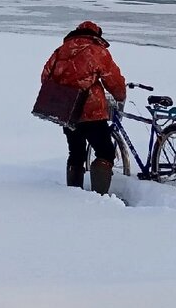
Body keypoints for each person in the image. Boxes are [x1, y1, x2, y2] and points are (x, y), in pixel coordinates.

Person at [41, 20, 126, 195]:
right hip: (92, 111)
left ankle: (74, 194)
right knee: (105, 152)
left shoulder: (60, 51)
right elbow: (113, 80)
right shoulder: (97, 51)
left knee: (76, 152)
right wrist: (120, 96)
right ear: (96, 35)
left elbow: (45, 77)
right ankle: (99, 196)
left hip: (67, 111)